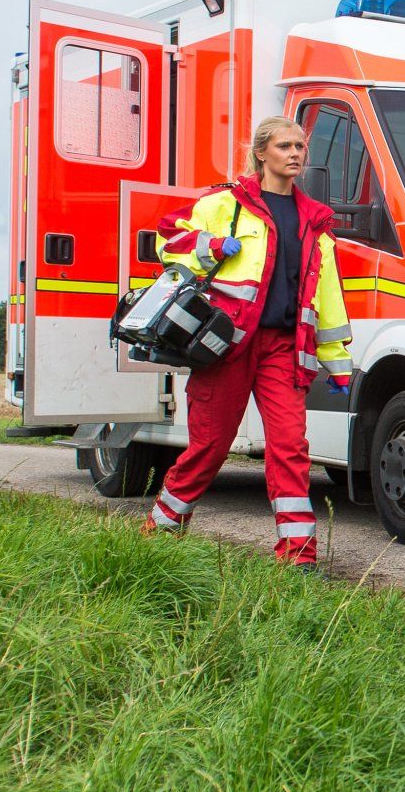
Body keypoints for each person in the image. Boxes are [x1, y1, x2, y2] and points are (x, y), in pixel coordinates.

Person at [142, 116, 354, 569]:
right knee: (209, 448)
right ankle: (159, 531)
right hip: (227, 347)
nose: (295, 154)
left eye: (300, 146)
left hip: (283, 349)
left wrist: (337, 361)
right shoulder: (223, 203)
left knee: (290, 449)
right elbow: (169, 241)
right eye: (284, 146)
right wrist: (211, 246)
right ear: (261, 153)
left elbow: (328, 298)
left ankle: (298, 558)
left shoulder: (315, 221)